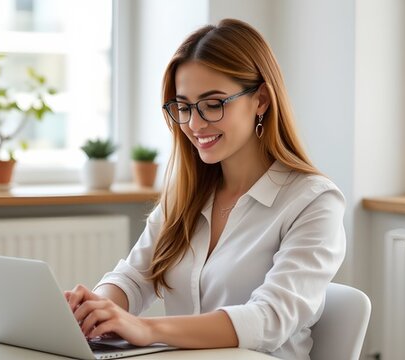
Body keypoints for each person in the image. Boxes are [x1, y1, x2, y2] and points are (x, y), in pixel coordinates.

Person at [64, 18, 346, 360]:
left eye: (213, 104)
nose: (195, 124)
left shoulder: (314, 201)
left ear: (261, 100)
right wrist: (96, 310)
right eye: (183, 107)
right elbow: (134, 277)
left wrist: (147, 329)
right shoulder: (186, 196)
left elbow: (270, 318)